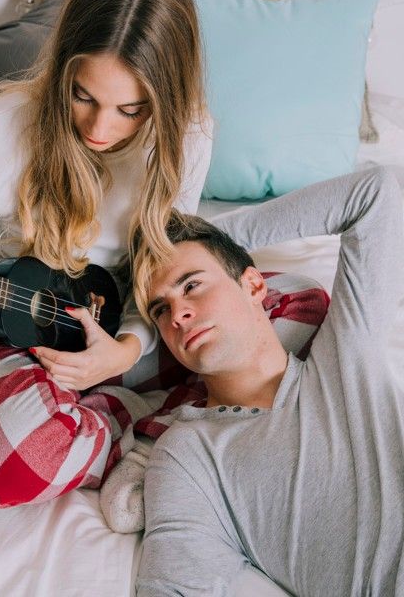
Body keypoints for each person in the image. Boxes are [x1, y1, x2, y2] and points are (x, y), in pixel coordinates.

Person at [0, 0, 213, 507]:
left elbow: (161, 264)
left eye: (131, 110)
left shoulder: (189, 133)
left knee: (286, 311)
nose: (100, 130)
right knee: (9, 464)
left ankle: (101, 416)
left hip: (129, 326)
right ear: (61, 73)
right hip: (14, 341)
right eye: (83, 96)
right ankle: (146, 431)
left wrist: (125, 348)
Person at [133, 167, 404, 596]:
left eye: (192, 285)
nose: (178, 314)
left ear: (255, 284)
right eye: (160, 310)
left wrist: (218, 240)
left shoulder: (343, 355)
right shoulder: (189, 453)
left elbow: (376, 193)